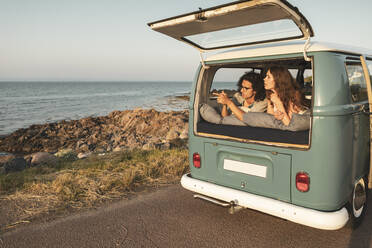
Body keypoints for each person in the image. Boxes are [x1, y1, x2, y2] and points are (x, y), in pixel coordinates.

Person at [216, 66, 310, 131]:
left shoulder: (293, 95)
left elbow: (290, 125)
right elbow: (270, 118)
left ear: (278, 79)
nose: (264, 79)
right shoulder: (271, 95)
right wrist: (276, 115)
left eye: (268, 77)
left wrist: (278, 103)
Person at [200, 71, 267, 125]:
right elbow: (225, 119)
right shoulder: (238, 97)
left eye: (246, 88)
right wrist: (225, 104)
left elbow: (249, 120)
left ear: (256, 90)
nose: (241, 90)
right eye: (242, 87)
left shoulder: (262, 103)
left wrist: (229, 102)